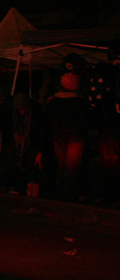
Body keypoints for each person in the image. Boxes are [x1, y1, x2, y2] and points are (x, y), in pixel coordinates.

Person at [46, 72, 90, 202]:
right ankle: (69, 194)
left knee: (61, 165)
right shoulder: (81, 103)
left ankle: (59, 191)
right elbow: (87, 120)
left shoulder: (54, 102)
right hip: (75, 137)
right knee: (72, 166)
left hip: (59, 136)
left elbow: (49, 120)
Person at [87, 48, 120, 205]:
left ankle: (110, 195)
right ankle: (112, 196)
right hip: (110, 124)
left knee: (109, 162)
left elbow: (95, 100)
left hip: (106, 124)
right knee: (111, 162)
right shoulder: (110, 74)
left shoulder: (103, 73)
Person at [8, 93, 53, 196]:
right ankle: (15, 186)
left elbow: (42, 134)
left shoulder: (36, 116)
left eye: (25, 109)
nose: (23, 112)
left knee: (32, 166)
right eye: (20, 109)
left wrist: (40, 152)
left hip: (31, 145)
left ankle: (31, 188)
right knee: (13, 164)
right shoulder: (14, 118)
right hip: (17, 145)